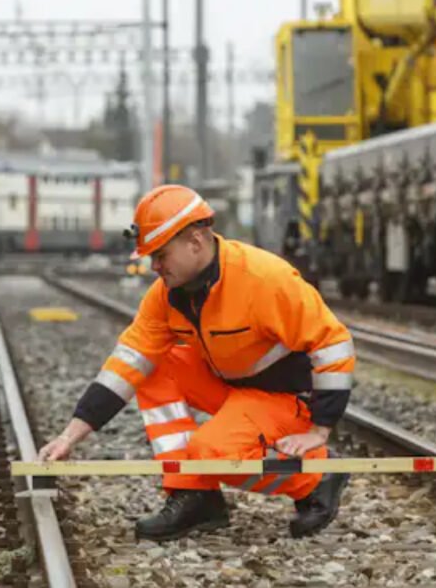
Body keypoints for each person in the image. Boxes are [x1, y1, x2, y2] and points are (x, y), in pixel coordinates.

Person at [38, 184, 355, 542]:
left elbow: (334, 344)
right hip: (236, 388)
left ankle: (318, 477)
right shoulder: (166, 295)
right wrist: (70, 435)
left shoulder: (264, 280)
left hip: (286, 399)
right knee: (154, 365)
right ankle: (193, 494)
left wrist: (319, 430)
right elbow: (127, 362)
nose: (154, 266)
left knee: (212, 451)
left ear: (196, 240)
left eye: (160, 255)